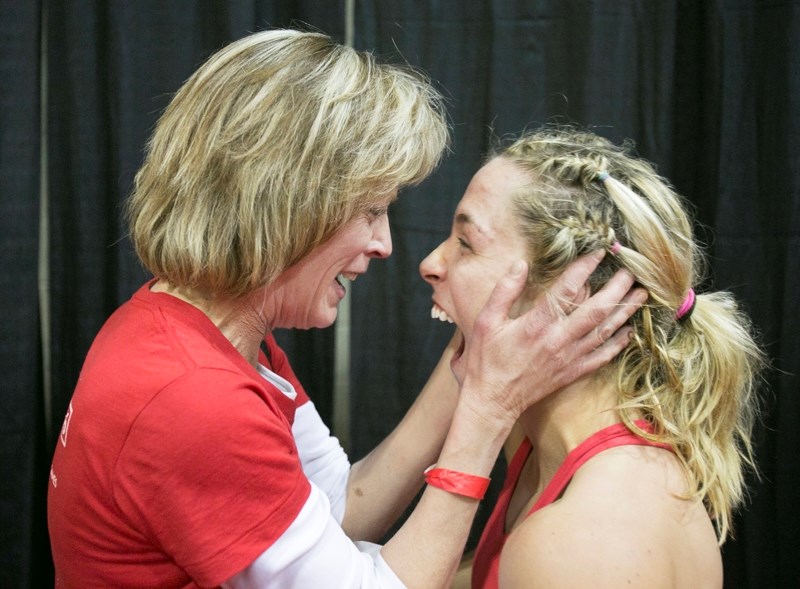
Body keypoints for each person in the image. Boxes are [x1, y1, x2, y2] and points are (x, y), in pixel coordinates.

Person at [46, 31, 643, 589]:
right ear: (288, 206)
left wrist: (471, 363)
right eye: (370, 211)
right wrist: (488, 411)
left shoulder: (202, 328)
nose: (386, 244)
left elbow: (337, 506)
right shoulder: (191, 396)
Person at [419, 127, 766, 589]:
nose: (431, 263)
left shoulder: (581, 539)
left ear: (569, 295)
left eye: (466, 243)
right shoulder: (536, 446)